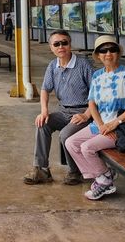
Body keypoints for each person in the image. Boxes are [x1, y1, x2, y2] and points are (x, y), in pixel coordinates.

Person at [65, 35, 125, 200]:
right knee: (71, 143)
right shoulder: (97, 76)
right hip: (100, 126)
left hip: (122, 128)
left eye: (112, 49)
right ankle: (104, 176)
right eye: (103, 50)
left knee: (87, 147)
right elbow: (92, 104)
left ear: (118, 53)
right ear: (97, 55)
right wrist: (102, 125)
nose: (108, 53)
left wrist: (114, 123)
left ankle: (103, 181)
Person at [23, 30, 93, 186]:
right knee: (43, 124)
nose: (61, 46)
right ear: (51, 47)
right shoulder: (52, 66)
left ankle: (75, 171)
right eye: (56, 44)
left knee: (65, 135)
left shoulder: (83, 65)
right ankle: (42, 170)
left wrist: (86, 115)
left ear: (70, 45)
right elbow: (44, 90)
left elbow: (96, 94)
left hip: (83, 112)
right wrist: (44, 111)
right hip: (64, 111)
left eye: (64, 43)